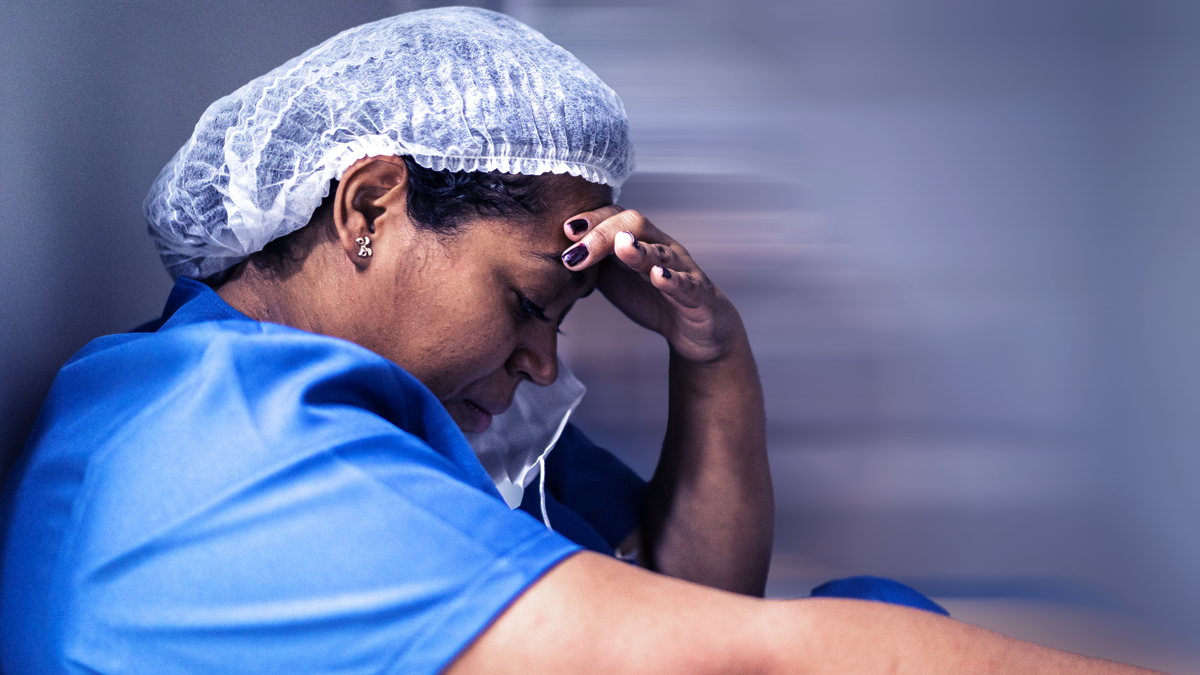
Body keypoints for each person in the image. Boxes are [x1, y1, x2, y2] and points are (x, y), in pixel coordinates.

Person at [0, 8, 1158, 674]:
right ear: (367, 208)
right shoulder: (241, 462)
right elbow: (753, 658)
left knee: (878, 602)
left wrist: (712, 356)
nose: (545, 363)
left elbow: (697, 593)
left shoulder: (327, 401)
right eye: (527, 302)